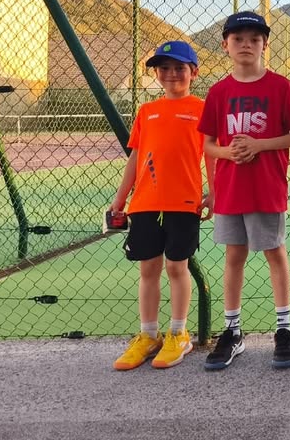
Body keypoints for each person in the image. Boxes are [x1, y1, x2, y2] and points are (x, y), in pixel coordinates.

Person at [198, 11, 290, 371]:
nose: (246, 45)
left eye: (254, 39)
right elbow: (208, 145)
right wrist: (228, 153)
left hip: (266, 187)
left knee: (275, 252)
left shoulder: (279, 86)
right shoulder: (218, 92)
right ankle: (232, 330)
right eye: (238, 39)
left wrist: (260, 145)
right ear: (225, 45)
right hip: (231, 190)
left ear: (264, 45)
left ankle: (284, 328)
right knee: (234, 255)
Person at [111, 40, 214, 371]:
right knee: (148, 269)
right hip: (144, 203)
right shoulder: (147, 112)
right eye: (164, 68)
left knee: (176, 268)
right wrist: (120, 198)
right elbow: (136, 157)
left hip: (183, 203)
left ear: (194, 72)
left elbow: (211, 153)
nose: (171, 74)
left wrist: (213, 191)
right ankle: (148, 335)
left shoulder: (202, 109)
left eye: (179, 68)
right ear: (156, 73)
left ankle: (178, 333)